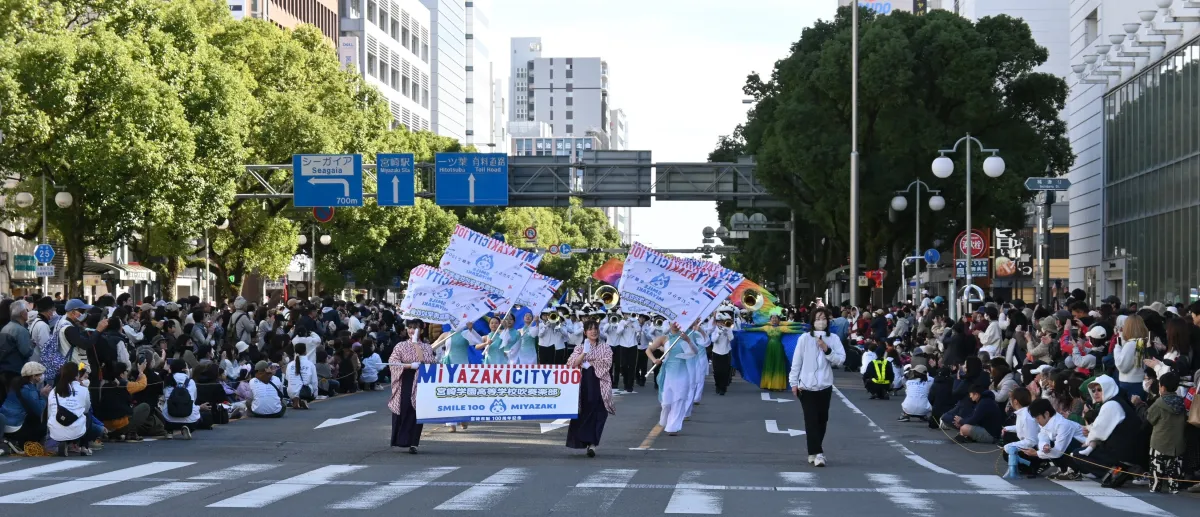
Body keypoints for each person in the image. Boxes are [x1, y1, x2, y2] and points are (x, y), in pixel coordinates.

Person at [787, 307, 846, 467]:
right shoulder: (804, 339)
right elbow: (796, 361)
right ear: (812, 321)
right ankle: (818, 453)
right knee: (811, 420)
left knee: (822, 420)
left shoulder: (833, 338)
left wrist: (827, 349)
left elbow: (841, 359)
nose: (821, 322)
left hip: (825, 385)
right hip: (806, 387)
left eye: (824, 318)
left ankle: (813, 451)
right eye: (818, 319)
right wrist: (793, 383)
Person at [565, 320, 616, 457]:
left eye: (595, 329)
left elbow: (607, 362)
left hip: (600, 382)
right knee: (585, 410)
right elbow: (572, 363)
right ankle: (585, 441)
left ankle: (593, 443)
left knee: (600, 411)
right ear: (585, 332)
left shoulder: (605, 347)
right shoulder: (579, 347)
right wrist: (584, 353)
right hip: (584, 383)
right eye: (590, 329)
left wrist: (589, 362)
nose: (593, 331)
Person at [389, 320, 435, 453]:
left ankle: (414, 443)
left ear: (421, 330)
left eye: (415, 328)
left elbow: (428, 361)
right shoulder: (400, 345)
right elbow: (393, 362)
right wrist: (408, 366)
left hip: (421, 380)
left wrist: (415, 344)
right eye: (409, 328)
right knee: (404, 406)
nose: (411, 331)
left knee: (417, 410)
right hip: (405, 378)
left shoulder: (426, 346)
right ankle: (401, 439)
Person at [649, 322, 696, 436]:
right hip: (668, 372)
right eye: (672, 322)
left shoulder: (685, 337)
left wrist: (688, 341)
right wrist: (654, 360)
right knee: (666, 403)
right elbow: (648, 350)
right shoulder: (664, 338)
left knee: (679, 399)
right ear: (669, 324)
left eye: (677, 323)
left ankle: (673, 427)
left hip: (682, 372)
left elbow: (695, 351)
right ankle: (665, 421)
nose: (675, 325)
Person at [1144, 372, 1186, 493]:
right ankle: (1173, 489)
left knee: (1155, 479)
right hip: (1177, 446)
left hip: (1159, 445)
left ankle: (1155, 488)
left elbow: (1150, 418)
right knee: (1174, 479)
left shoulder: (1159, 403)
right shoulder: (1181, 403)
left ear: (1162, 388)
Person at [47, 362, 101, 456]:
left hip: (55, 427)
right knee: (87, 415)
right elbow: (87, 408)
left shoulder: (53, 391)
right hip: (76, 429)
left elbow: (49, 412)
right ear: (77, 375)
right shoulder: (83, 389)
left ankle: (63, 443)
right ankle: (84, 447)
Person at [744, 314, 806, 391]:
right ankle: (767, 384)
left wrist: (802, 329)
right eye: (772, 318)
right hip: (769, 348)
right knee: (769, 364)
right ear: (770, 320)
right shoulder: (766, 327)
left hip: (778, 348)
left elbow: (793, 329)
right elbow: (755, 329)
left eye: (776, 318)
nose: (774, 320)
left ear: (779, 320)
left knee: (778, 364)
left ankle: (777, 385)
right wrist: (745, 328)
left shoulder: (782, 328)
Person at [1, 362, 48, 455]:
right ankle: (24, 443)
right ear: (33, 376)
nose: (42, 376)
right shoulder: (28, 389)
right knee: (40, 422)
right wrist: (43, 395)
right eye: (40, 374)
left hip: (5, 423)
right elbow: (39, 409)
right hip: (16, 425)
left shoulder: (16, 384)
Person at [161, 359, 210, 439]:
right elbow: (193, 399)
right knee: (197, 416)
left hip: (169, 417)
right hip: (189, 418)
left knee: (165, 409)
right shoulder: (190, 382)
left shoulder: (167, 380)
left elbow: (165, 396)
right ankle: (188, 428)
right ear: (184, 369)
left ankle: (169, 431)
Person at [1001, 387, 1039, 478]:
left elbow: (1031, 441)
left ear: (1015, 401)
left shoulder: (1026, 416)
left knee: (1007, 452)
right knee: (1008, 435)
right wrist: (1007, 429)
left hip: (1034, 447)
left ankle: (1033, 466)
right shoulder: (1023, 412)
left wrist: (1011, 446)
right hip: (1028, 442)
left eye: (1011, 399)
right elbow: (1021, 428)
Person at [285, 342, 317, 410]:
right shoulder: (310, 364)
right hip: (304, 391)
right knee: (309, 385)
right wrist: (314, 395)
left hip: (291, 391)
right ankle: (303, 399)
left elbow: (287, 378)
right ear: (305, 351)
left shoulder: (290, 364)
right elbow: (314, 381)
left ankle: (295, 400)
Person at [709, 314, 735, 395]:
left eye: (722, 322)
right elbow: (713, 340)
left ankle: (723, 388)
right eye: (719, 322)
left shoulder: (728, 328)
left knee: (725, 371)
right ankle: (717, 386)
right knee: (717, 372)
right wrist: (718, 333)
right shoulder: (714, 330)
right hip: (716, 352)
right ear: (716, 322)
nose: (721, 323)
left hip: (726, 352)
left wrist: (727, 330)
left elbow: (731, 338)